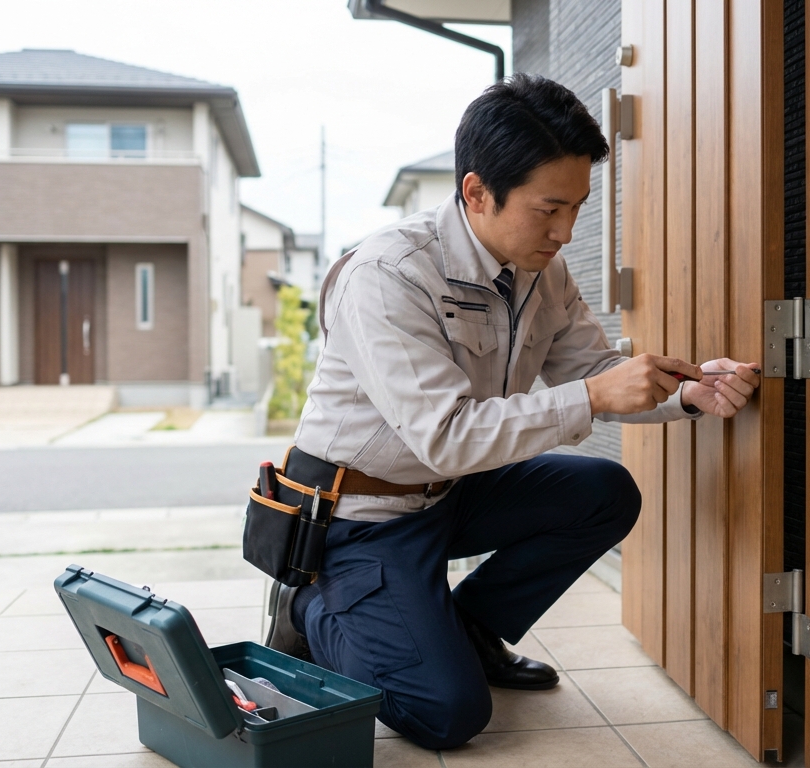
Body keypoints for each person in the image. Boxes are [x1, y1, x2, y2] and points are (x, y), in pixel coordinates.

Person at [263, 74, 760, 750]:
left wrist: (688, 392)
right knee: (446, 715)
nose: (566, 231)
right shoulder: (388, 275)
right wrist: (592, 396)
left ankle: (469, 626)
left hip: (450, 496)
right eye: (548, 209)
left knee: (601, 492)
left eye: (579, 207)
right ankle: (312, 606)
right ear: (476, 191)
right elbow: (445, 435)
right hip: (360, 519)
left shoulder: (542, 272)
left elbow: (590, 371)